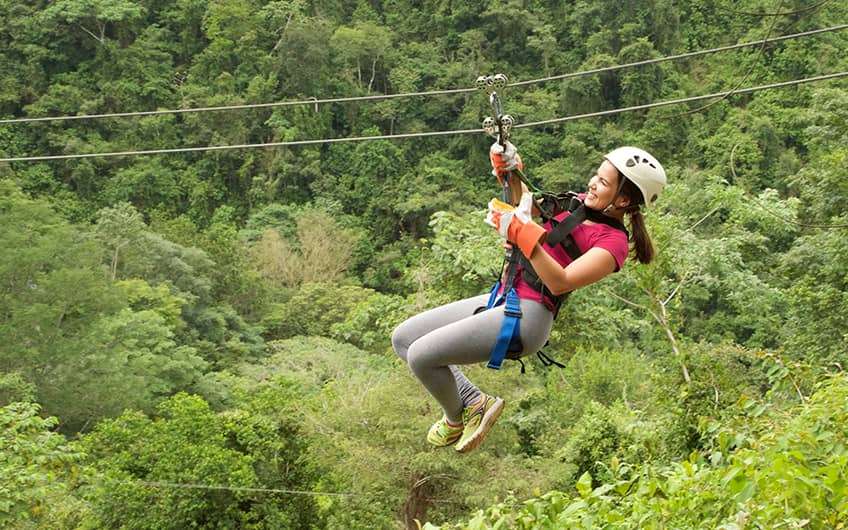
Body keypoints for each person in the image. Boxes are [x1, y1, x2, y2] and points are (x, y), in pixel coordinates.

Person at [391, 142, 666, 453]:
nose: (592, 183)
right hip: (506, 296)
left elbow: (560, 282)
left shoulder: (612, 243)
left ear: (624, 199)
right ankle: (473, 400)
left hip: (529, 316)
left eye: (603, 182)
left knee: (421, 356)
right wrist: (509, 170)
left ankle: (456, 418)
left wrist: (522, 234)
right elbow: (525, 204)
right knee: (403, 338)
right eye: (596, 175)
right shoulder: (575, 205)